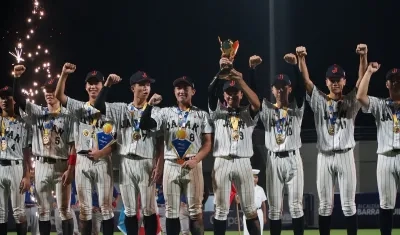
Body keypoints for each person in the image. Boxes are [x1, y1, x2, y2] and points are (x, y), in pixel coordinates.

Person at [297, 44, 368, 235]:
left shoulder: (351, 101)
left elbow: (361, 83)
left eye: (339, 79)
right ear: (326, 82)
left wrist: (363, 57)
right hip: (325, 156)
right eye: (332, 79)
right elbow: (306, 81)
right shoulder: (320, 101)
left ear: (344, 81)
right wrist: (301, 59)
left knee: (348, 205)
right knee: (325, 206)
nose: (335, 83)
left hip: (345, 155)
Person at [139, 76, 213, 235]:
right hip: (171, 163)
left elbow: (208, 143)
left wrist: (196, 159)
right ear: (174, 91)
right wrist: (150, 105)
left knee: (195, 211)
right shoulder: (165, 112)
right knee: (171, 211)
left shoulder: (202, 114)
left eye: (185, 88)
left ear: (192, 91)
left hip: (193, 163)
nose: (181, 91)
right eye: (178, 88)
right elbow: (144, 125)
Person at [93, 71, 162, 235]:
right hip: (125, 162)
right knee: (130, 210)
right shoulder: (121, 109)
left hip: (146, 161)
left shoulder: (157, 111)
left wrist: (159, 164)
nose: (146, 88)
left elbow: (159, 141)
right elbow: (98, 106)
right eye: (142, 84)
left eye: (148, 84)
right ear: (133, 88)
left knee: (149, 209)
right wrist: (108, 85)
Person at [55, 63, 119, 235]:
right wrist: (64, 74)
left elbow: (115, 142)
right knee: (85, 209)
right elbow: (59, 95)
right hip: (83, 160)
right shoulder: (78, 107)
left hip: (103, 160)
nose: (92, 86)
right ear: (85, 87)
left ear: (102, 84)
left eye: (96, 82)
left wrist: (101, 153)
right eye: (89, 83)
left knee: (106, 208)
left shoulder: (111, 110)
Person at [13, 64, 77, 235]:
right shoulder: (37, 112)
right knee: (43, 211)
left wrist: (71, 169)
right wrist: (16, 79)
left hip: (61, 165)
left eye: (52, 89)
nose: (49, 93)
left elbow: (73, 146)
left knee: (64, 210)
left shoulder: (68, 115)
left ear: (58, 91)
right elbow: (19, 99)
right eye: (46, 90)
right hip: (41, 165)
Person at [208, 56, 261, 235]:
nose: (231, 95)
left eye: (235, 92)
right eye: (228, 92)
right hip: (221, 160)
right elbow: (210, 92)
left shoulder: (248, 114)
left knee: (250, 208)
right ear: (224, 95)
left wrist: (241, 80)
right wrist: (220, 70)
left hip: (243, 161)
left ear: (241, 94)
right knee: (221, 210)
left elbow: (256, 102)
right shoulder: (217, 112)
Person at [257, 53, 305, 235]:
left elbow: (301, 92)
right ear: (272, 90)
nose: (280, 90)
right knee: (275, 209)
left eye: (284, 86)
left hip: (293, 158)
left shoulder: (296, 109)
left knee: (296, 207)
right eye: (277, 87)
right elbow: (254, 95)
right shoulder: (267, 110)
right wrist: (254, 71)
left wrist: (295, 66)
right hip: (273, 160)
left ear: (289, 89)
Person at [356, 62, 400, 235]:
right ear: (387, 84)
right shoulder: (381, 104)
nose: (396, 82)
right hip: (385, 156)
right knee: (386, 204)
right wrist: (368, 72)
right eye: (392, 79)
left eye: (398, 79)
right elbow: (360, 96)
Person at [0, 73, 32, 235]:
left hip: (16, 167)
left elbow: (27, 151)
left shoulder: (23, 122)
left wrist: (27, 175)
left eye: (8, 97)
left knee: (18, 212)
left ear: (14, 100)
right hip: (0, 167)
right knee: (0, 214)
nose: (5, 100)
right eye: (2, 97)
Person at [238, 169, 267, 235]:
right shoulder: (245, 188)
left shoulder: (260, 189)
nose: (254, 179)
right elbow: (240, 200)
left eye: (256, 177)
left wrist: (264, 217)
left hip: (259, 212)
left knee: (259, 232)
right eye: (253, 177)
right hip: (248, 212)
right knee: (247, 232)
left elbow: (263, 204)